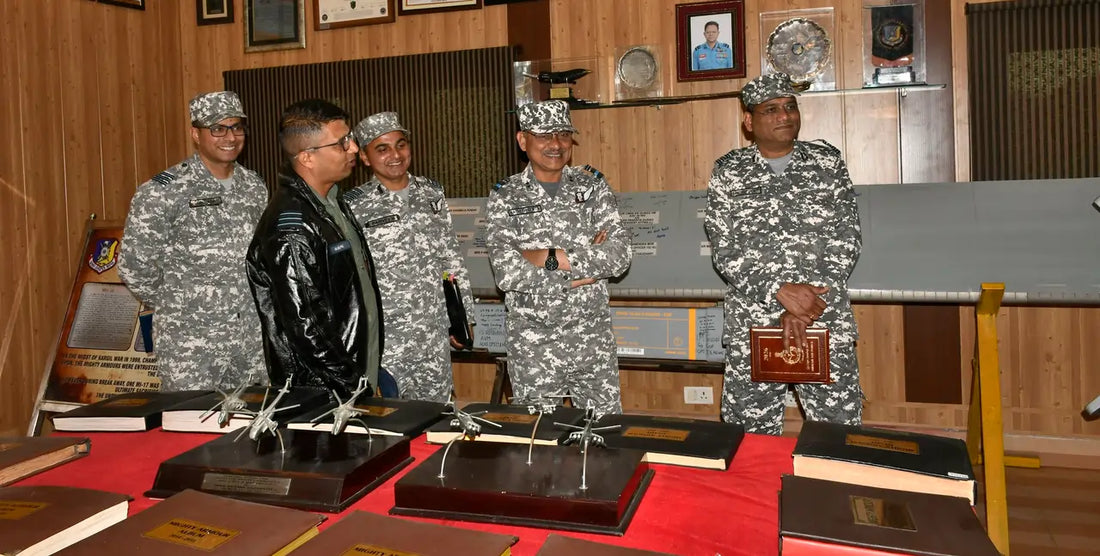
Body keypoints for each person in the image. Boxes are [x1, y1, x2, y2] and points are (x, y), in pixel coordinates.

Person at [704, 72, 862, 435]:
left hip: (822, 318)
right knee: (749, 440)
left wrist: (803, 306)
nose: (784, 116)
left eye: (790, 107)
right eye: (771, 109)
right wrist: (779, 291)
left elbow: (846, 236)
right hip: (754, 321)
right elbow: (725, 249)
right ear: (749, 121)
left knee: (836, 436)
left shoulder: (827, 163)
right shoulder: (729, 172)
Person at [485, 100, 632, 415]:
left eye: (564, 134)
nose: (556, 144)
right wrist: (582, 269)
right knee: (537, 445)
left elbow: (619, 256)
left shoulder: (592, 186)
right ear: (523, 141)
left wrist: (549, 256)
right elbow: (507, 273)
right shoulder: (506, 195)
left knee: (605, 438)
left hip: (592, 340)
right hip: (534, 346)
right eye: (544, 135)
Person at [118, 91, 267, 392]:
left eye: (236, 127)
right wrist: (182, 304)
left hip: (251, 342)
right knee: (192, 431)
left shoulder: (254, 186)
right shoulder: (163, 191)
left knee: (252, 430)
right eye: (218, 128)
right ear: (196, 134)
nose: (230, 136)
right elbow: (134, 266)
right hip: (192, 347)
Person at [246, 99, 385, 399]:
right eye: (341, 143)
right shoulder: (292, 226)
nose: (352, 149)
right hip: (324, 394)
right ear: (307, 158)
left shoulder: (332, 202)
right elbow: (307, 325)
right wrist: (353, 387)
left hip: (351, 382)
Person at [343, 112, 475, 402]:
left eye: (400, 145)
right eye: (382, 148)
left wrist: (462, 317)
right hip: (389, 341)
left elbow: (450, 259)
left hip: (433, 334)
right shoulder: (353, 205)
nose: (395, 155)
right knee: (390, 425)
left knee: (435, 417)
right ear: (364, 158)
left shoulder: (431, 193)